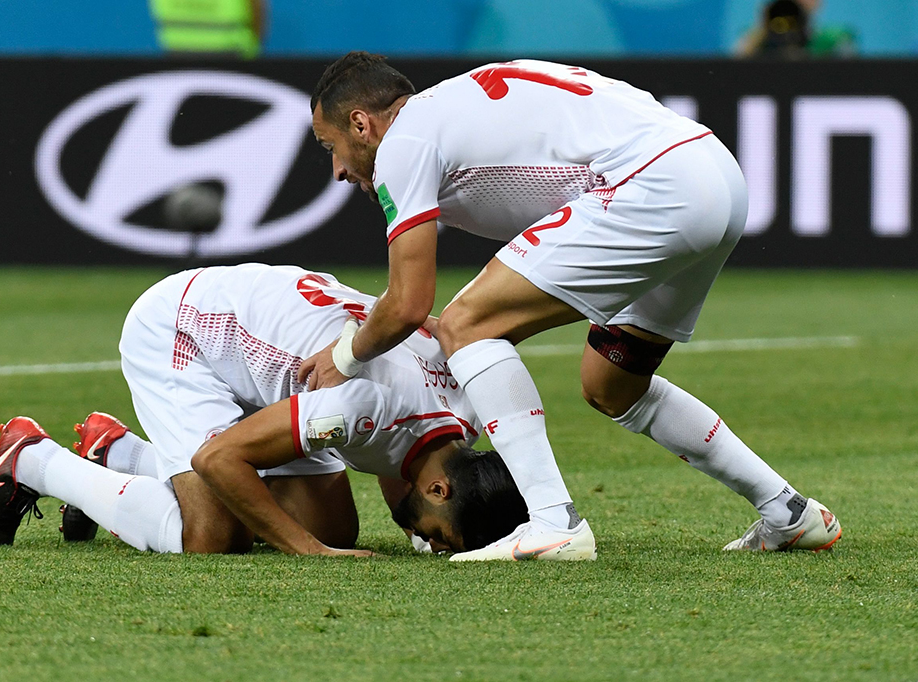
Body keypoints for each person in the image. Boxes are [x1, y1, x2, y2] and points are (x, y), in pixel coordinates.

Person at [300, 53, 842, 561]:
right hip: (715, 175)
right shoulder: (455, 107)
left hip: (649, 185)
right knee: (613, 386)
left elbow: (408, 304)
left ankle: (554, 521)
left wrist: (344, 356)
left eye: (331, 148)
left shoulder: (404, 141)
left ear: (361, 123)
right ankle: (788, 511)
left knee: (466, 324)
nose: (339, 172)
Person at [0, 264, 529, 556]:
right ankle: (32, 460)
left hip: (274, 354)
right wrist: (306, 553)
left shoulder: (463, 406)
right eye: (441, 540)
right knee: (214, 537)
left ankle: (118, 454)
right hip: (184, 330)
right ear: (439, 490)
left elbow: (400, 454)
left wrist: (324, 538)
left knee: (334, 527)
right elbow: (221, 459)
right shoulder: (363, 407)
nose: (432, 546)